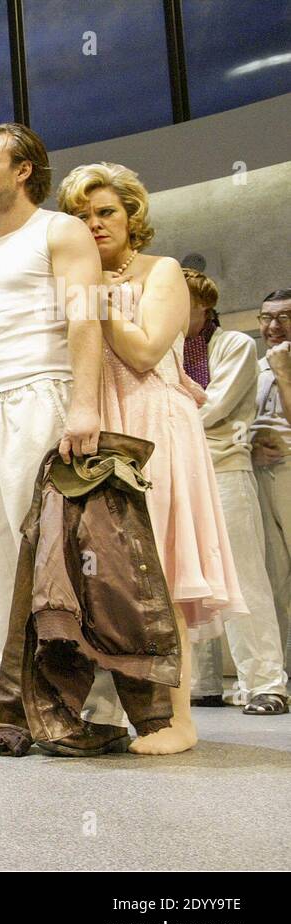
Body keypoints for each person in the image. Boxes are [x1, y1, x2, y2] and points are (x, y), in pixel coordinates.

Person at [56, 161, 245, 753]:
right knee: (105, 576)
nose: (95, 224)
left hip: (154, 426)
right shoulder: (71, 274)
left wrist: (101, 302)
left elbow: (142, 353)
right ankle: (112, 712)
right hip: (102, 426)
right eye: (82, 216)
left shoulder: (162, 272)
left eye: (106, 211)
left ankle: (178, 721)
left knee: (157, 569)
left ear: (132, 215)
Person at [0, 123, 108, 743]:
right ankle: (4, 694)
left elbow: (86, 322)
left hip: (43, 398)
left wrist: (83, 408)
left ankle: (70, 699)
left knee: (55, 558)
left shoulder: (60, 231)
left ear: (24, 168)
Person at [182, 271, 288, 715]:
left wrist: (166, 411)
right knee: (189, 581)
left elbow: (214, 408)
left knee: (244, 577)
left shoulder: (236, 346)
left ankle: (266, 683)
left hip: (225, 469)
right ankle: (201, 682)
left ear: (202, 307)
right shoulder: (166, 349)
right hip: (179, 469)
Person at [250, 289, 291, 671]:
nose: (274, 326)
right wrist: (251, 448)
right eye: (267, 317)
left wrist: (284, 372)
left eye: (284, 316)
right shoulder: (255, 366)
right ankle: (278, 672)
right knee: (271, 578)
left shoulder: (277, 367)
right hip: (259, 475)